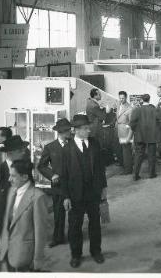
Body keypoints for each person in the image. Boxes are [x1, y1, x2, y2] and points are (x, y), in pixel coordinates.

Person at [61, 114, 108, 268]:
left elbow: (101, 168)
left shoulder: (94, 143)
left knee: (95, 224)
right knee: (75, 226)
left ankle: (96, 251)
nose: (89, 130)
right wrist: (66, 196)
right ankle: (76, 255)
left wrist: (103, 189)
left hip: (93, 192)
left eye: (88, 128)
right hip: (75, 195)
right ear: (76, 130)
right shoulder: (67, 149)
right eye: (86, 128)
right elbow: (63, 175)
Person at [0, 159, 51, 272]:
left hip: (24, 255)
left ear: (24, 177)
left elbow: (40, 233)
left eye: (13, 176)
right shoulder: (12, 191)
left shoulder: (38, 197)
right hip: (7, 250)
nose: (9, 179)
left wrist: (37, 260)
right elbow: (8, 223)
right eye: (9, 175)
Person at [0, 135, 30, 234]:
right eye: (20, 151)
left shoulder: (24, 168)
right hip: (4, 220)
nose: (24, 152)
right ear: (10, 153)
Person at [37, 118, 71, 248]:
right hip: (58, 185)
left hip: (73, 183)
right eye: (68, 130)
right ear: (62, 132)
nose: (70, 132)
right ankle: (58, 238)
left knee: (75, 212)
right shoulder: (50, 147)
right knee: (58, 212)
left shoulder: (74, 144)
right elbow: (42, 166)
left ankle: (74, 235)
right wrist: (52, 175)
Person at [130, 94, 160, 180]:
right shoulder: (154, 109)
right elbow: (160, 120)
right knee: (152, 155)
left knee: (138, 155)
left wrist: (136, 130)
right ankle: (151, 174)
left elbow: (132, 123)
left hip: (139, 135)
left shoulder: (137, 110)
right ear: (149, 99)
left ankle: (135, 175)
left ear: (142, 100)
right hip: (152, 135)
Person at [116, 91, 134, 175]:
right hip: (120, 131)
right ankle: (127, 168)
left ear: (126, 98)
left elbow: (131, 123)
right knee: (124, 151)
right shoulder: (118, 105)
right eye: (120, 98)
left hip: (126, 132)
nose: (121, 99)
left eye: (123, 98)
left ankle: (128, 170)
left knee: (126, 152)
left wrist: (129, 136)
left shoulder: (130, 108)